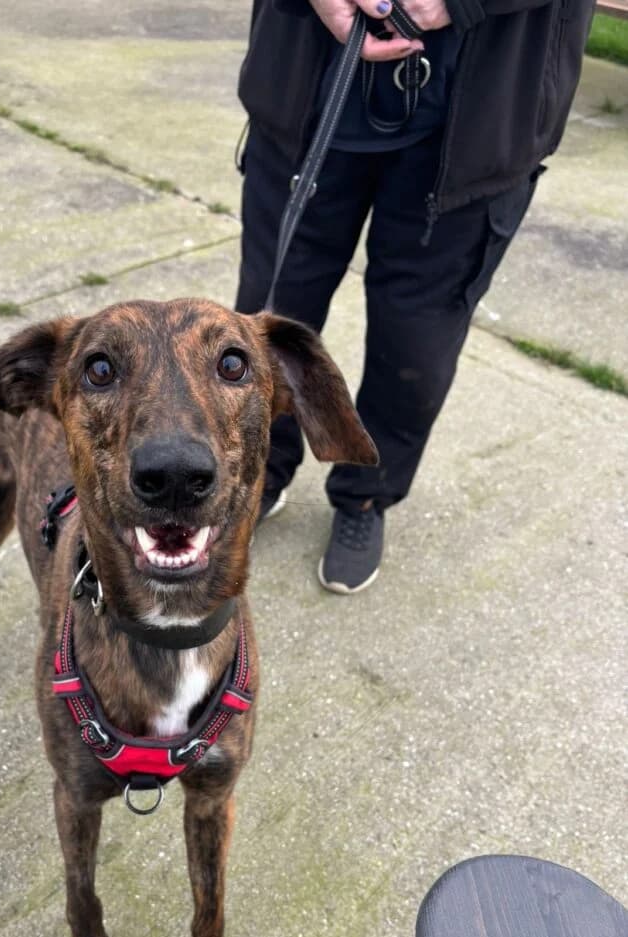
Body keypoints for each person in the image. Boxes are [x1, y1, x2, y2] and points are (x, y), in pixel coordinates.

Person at [236, 0, 596, 593]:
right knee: (266, 318)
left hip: (484, 112)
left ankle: (364, 496)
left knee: (417, 349)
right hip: (309, 81)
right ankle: (256, 470)